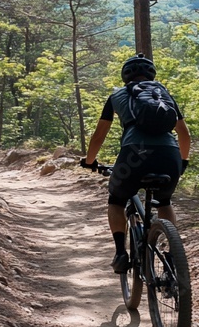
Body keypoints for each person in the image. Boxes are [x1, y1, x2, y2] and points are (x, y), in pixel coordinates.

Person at [80, 53, 191, 273]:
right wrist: (183, 161)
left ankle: (121, 253)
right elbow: (184, 135)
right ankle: (171, 255)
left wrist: (89, 161)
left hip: (134, 154)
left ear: (125, 76)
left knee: (116, 199)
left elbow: (99, 135)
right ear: (151, 74)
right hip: (170, 154)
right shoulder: (162, 94)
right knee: (165, 201)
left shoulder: (117, 94)